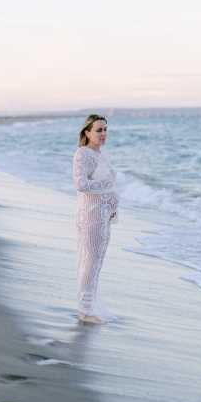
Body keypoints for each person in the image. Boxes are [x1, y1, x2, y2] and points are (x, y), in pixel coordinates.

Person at [73, 113, 119, 324]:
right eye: (99, 130)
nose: (103, 134)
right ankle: (84, 309)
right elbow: (81, 184)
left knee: (97, 261)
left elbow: (108, 185)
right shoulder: (83, 154)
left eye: (105, 130)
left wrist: (112, 207)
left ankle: (89, 306)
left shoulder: (101, 155)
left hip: (103, 216)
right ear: (87, 132)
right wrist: (107, 187)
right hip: (91, 216)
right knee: (90, 262)